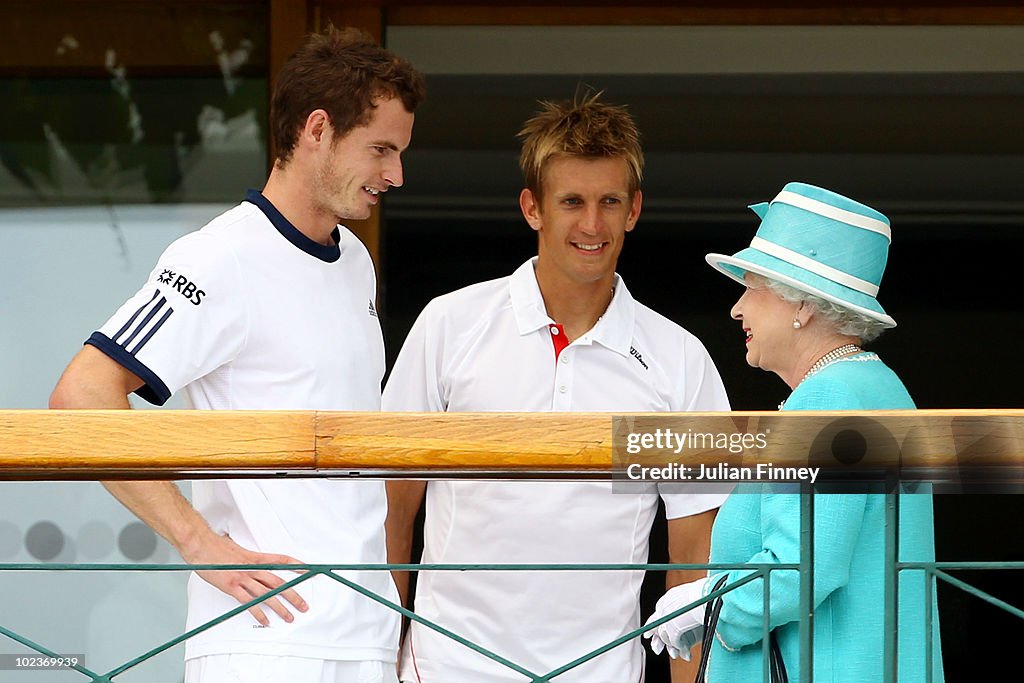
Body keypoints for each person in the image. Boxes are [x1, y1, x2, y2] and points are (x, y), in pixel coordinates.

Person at [48, 27, 425, 683]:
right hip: (265, 643)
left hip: (364, 637)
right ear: (317, 130)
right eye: (381, 150)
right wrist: (197, 541)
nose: (396, 174)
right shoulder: (219, 257)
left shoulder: (356, 261)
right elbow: (80, 395)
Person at [383, 92, 730, 683]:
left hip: (602, 673)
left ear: (634, 210)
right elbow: (390, 513)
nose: (591, 224)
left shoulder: (681, 359)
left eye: (609, 201)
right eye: (571, 201)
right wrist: (381, 656)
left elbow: (693, 564)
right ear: (532, 208)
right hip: (444, 669)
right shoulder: (449, 324)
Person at [644, 182, 944, 681]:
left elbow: (799, 567)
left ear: (802, 306)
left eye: (753, 287)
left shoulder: (830, 398)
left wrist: (707, 606)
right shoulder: (878, 387)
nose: (737, 308)